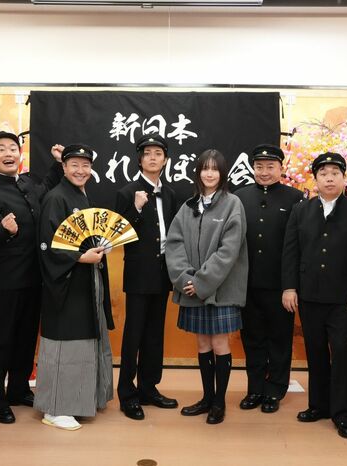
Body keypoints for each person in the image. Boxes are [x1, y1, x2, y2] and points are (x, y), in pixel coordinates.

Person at [282, 152, 347, 439]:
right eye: (324, 174)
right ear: (316, 179)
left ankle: (344, 414)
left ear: (344, 179)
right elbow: (291, 252)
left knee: (342, 352)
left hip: (343, 299)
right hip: (309, 295)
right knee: (315, 351)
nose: (330, 178)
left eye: (335, 173)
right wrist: (289, 287)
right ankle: (318, 406)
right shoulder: (301, 211)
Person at [0, 132, 63, 424]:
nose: (8, 153)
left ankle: (19, 389)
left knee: (26, 338)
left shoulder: (27, 183)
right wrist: (4, 229)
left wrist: (58, 163)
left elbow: (46, 188)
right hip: (4, 281)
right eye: (1, 149)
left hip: (34, 277)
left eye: (13, 148)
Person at [165, 149, 248, 425]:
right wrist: (185, 279)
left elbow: (229, 251)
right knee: (202, 343)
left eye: (214, 169)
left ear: (222, 173)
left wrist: (200, 282)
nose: (209, 174)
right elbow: (174, 244)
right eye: (204, 168)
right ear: (198, 172)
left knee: (219, 343)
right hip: (191, 288)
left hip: (220, 290)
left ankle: (219, 402)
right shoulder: (188, 206)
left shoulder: (233, 204)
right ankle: (206, 398)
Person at [35, 144, 114, 431]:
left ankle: (81, 400)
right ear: (64, 167)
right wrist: (80, 257)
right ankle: (56, 408)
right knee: (65, 346)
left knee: (85, 342)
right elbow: (47, 245)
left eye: (85, 165)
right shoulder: (56, 197)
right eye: (74, 165)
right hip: (66, 283)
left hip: (85, 281)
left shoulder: (81, 195)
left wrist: (99, 247)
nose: (80, 170)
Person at [234, 144, 303, 414]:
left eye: (270, 166)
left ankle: (274, 390)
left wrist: (291, 285)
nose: (264, 172)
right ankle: (254, 389)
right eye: (259, 166)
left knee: (279, 339)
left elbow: (297, 246)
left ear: (281, 168)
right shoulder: (239, 197)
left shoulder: (295, 198)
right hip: (247, 283)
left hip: (280, 285)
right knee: (252, 338)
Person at [115, 134, 179, 421]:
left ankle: (149, 388)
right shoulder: (127, 192)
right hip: (139, 273)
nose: (153, 158)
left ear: (165, 160)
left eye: (158, 153)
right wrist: (137, 208)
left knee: (155, 334)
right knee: (134, 334)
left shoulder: (171, 193)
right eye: (147, 153)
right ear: (140, 160)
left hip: (163, 272)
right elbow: (120, 234)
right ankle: (127, 394)